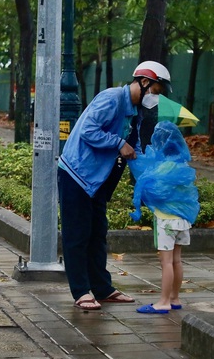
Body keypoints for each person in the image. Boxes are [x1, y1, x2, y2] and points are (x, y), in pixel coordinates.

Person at [58, 60, 172, 310]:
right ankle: (81, 291)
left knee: (98, 234)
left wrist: (149, 176)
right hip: (77, 173)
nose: (155, 97)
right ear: (144, 82)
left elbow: (134, 147)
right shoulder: (111, 99)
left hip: (99, 180)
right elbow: (88, 129)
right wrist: (118, 143)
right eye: (155, 90)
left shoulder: (136, 111)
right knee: (77, 235)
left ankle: (102, 288)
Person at [128, 121, 200, 314]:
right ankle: (175, 298)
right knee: (177, 260)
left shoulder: (162, 168)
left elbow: (152, 190)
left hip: (166, 220)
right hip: (182, 221)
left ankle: (163, 301)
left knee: (166, 262)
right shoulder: (183, 166)